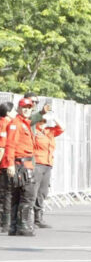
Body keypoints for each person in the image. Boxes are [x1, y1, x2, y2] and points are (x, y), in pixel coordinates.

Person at [4, 98, 38, 236]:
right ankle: (23, 225)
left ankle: (14, 226)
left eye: (29, 108)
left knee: (17, 196)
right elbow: (10, 145)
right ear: (18, 108)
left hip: (25, 163)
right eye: (24, 107)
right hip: (21, 164)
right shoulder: (16, 124)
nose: (27, 110)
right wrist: (10, 164)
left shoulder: (26, 123)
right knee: (27, 196)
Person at [32, 113, 64, 228]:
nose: (44, 121)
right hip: (37, 163)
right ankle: (28, 218)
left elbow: (62, 128)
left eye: (45, 120)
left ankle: (38, 218)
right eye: (42, 119)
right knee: (33, 191)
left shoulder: (48, 131)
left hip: (47, 164)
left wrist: (54, 117)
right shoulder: (33, 130)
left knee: (43, 192)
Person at [0, 101, 14, 233]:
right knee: (7, 193)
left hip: (6, 162)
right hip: (4, 163)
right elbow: (2, 147)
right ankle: (6, 222)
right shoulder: (5, 123)